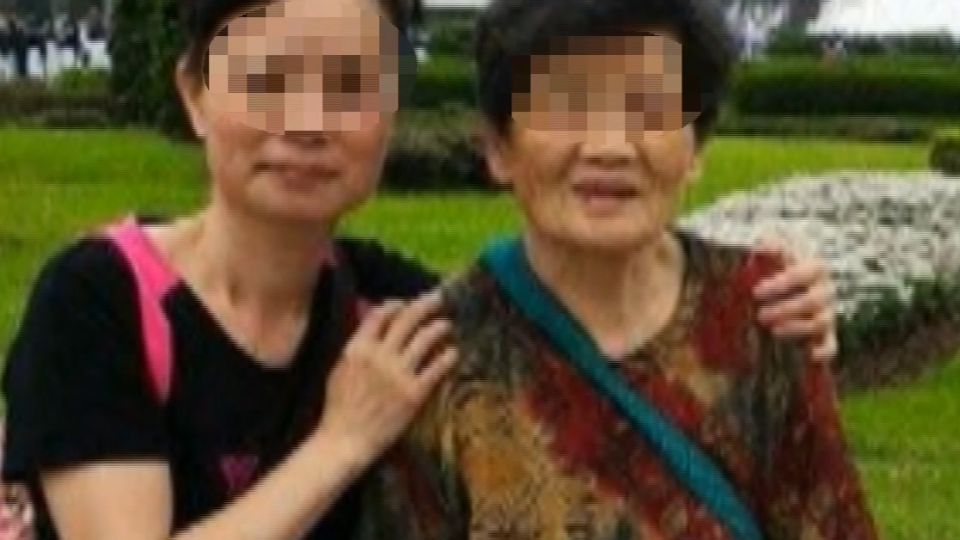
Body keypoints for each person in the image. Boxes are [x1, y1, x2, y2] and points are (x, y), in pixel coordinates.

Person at [1, 0, 838, 538]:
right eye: (266, 78)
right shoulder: (99, 300)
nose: (308, 120)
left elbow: (551, 314)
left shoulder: (395, 307)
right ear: (193, 93)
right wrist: (341, 443)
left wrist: (767, 299)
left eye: (351, 82)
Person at [354, 0, 877, 538]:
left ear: (697, 146)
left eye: (649, 106)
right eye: (566, 105)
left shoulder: (765, 315)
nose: (610, 147)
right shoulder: (437, 362)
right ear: (498, 147)